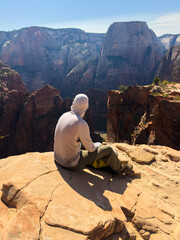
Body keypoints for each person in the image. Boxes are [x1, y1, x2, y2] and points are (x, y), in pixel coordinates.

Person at [54, 93, 133, 174]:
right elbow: (91, 148)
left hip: (57, 159)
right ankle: (121, 169)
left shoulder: (64, 115)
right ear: (85, 106)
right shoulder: (81, 123)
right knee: (108, 150)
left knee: (83, 147)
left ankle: (102, 164)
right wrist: (98, 144)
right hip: (71, 164)